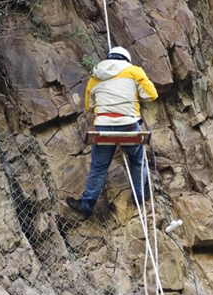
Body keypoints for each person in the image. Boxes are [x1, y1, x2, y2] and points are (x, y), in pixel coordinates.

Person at [66, 46, 159, 218]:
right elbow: (151, 94)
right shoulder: (134, 71)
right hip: (129, 125)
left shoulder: (96, 75)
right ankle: (139, 198)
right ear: (126, 60)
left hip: (104, 127)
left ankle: (87, 205)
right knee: (137, 161)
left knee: (99, 167)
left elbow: (89, 106)